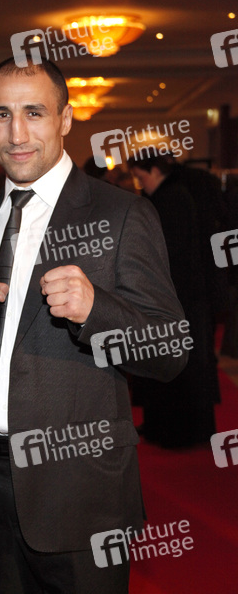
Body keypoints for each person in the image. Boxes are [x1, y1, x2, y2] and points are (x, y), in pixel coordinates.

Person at [0, 57, 187, 594]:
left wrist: (97, 311)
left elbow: (170, 351)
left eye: (34, 113)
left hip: (80, 491)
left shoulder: (122, 214)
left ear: (65, 118)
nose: (17, 134)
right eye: (2, 115)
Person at [129, 153, 217, 447]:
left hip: (178, 300)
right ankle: (168, 428)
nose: (139, 183)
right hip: (179, 298)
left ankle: (176, 432)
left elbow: (169, 253)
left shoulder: (171, 199)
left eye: (141, 176)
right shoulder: (171, 195)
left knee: (177, 366)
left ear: (155, 171)